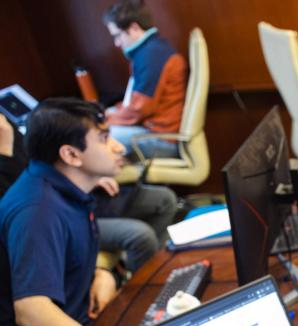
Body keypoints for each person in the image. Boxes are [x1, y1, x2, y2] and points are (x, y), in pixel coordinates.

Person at [0, 98, 124, 326]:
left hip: (75, 325)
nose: (119, 147)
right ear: (70, 155)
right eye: (104, 139)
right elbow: (32, 310)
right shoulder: (37, 211)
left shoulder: (64, 188)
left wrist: (100, 273)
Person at [0, 113, 175, 274]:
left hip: (71, 196)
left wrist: (87, 178)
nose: (119, 148)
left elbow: (39, 166)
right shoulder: (4, 136)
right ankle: (142, 288)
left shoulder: (8, 126)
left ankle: (154, 270)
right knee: (140, 235)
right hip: (57, 216)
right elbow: (18, 204)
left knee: (163, 200)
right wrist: (5, 152)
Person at [102, 0, 187, 159]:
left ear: (134, 28)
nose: (116, 43)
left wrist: (104, 121)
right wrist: (112, 113)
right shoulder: (153, 49)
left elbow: (139, 109)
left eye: (117, 35)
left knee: (100, 138)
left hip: (163, 139)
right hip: (156, 132)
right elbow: (135, 103)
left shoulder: (151, 55)